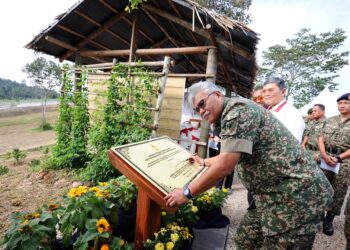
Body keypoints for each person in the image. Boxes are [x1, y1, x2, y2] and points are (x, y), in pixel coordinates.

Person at [165, 81, 333, 249]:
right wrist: (203, 162)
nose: (201, 111)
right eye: (197, 109)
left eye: (202, 104)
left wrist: (187, 193)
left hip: (296, 195)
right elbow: (229, 155)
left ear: (217, 95)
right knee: (245, 242)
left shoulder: (237, 111)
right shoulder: (228, 115)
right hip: (268, 196)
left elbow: (225, 166)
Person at [317, 93, 350, 236]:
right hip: (326, 158)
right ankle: (319, 214)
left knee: (338, 190)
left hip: (344, 161)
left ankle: (329, 219)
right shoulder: (329, 120)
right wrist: (324, 155)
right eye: (340, 103)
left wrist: (338, 158)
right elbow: (320, 138)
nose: (342, 105)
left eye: (345, 103)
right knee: (321, 186)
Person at [262, 77, 305, 142]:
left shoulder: (292, 115)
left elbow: (292, 145)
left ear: (283, 92)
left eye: (271, 90)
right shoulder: (266, 111)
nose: (266, 94)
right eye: (264, 91)